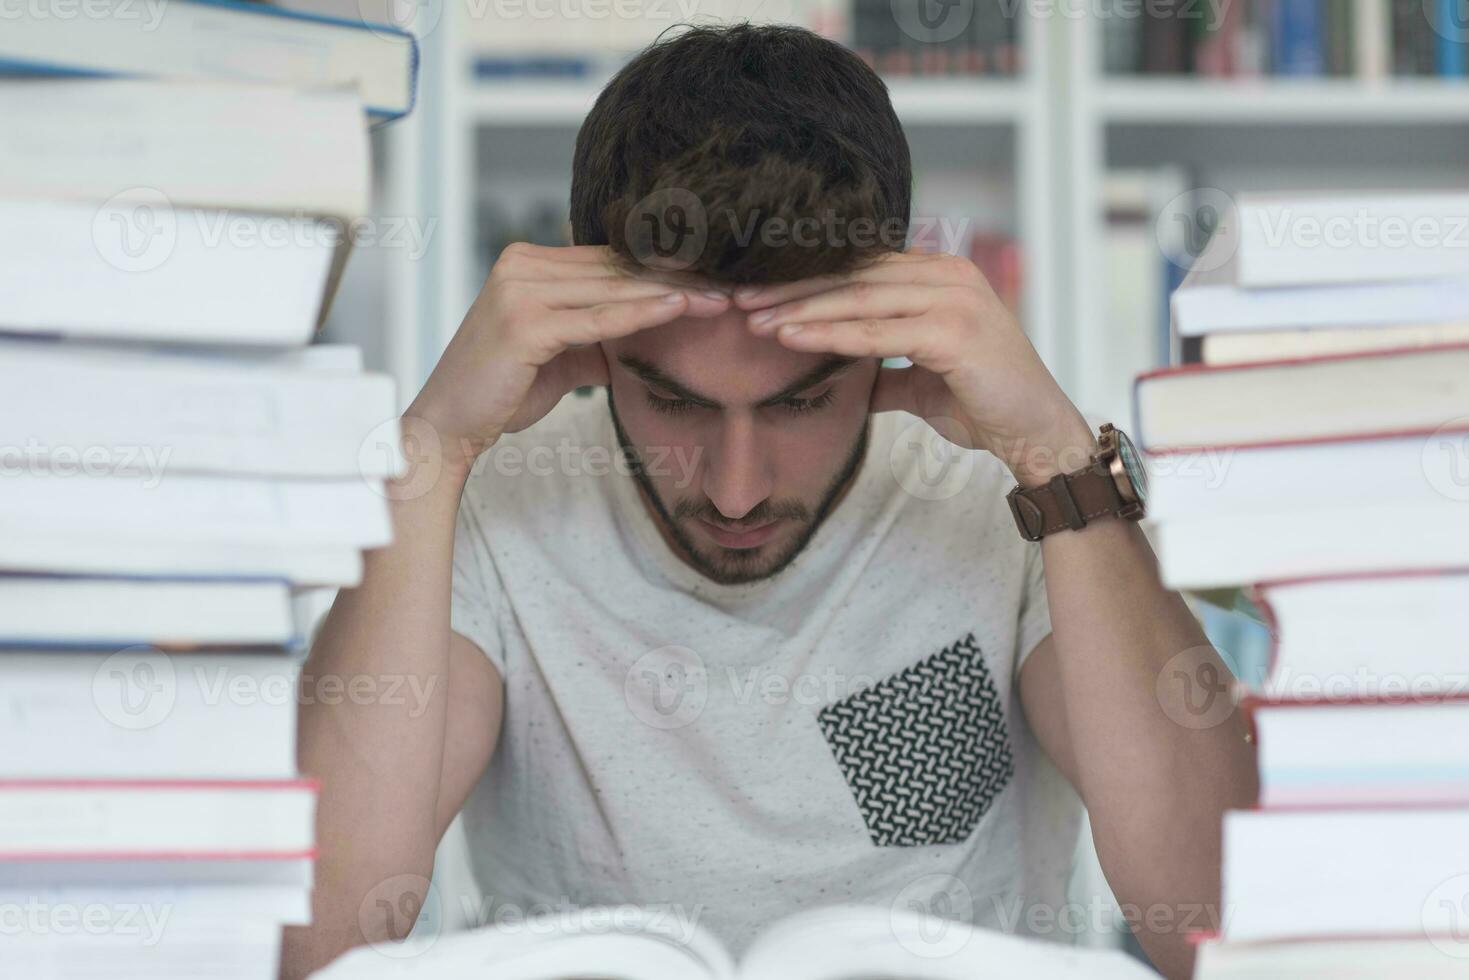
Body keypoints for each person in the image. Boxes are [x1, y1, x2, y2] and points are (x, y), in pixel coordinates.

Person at [281, 23, 1256, 980]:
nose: (735, 487)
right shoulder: (490, 503)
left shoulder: (1015, 506)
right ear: (590, 349)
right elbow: (312, 944)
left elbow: (1217, 923)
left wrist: (1055, 457)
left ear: (884, 338)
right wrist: (428, 449)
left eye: (799, 402)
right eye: (672, 401)